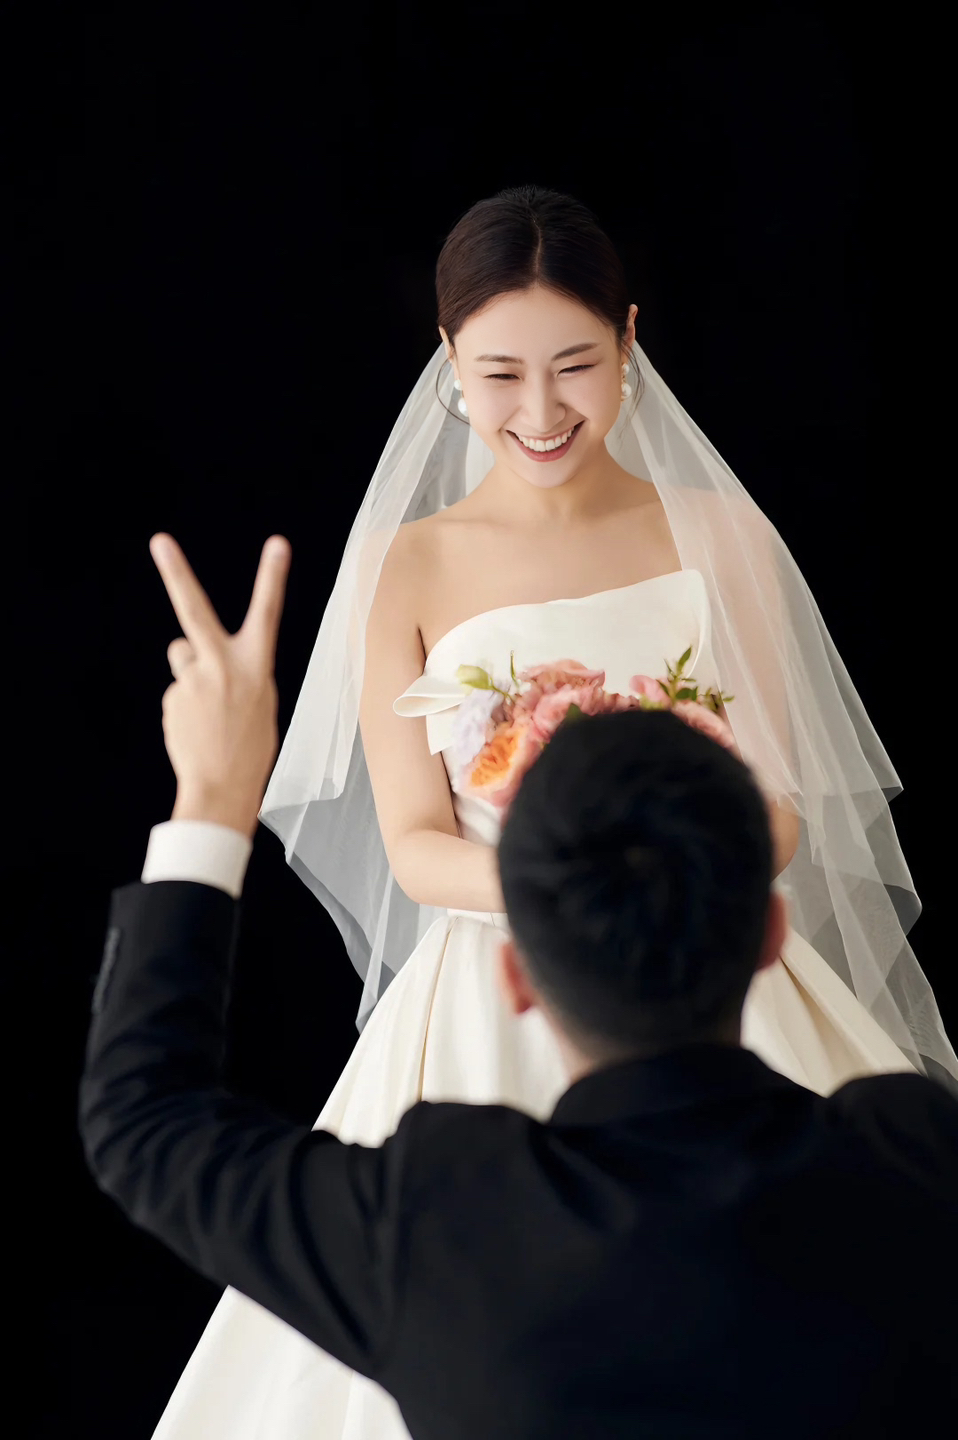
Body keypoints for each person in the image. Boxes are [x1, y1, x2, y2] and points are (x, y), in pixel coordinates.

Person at [148, 187, 958, 1438]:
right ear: (447, 363)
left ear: (629, 340)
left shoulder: (720, 534)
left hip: (709, 965)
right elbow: (417, 843)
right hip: (496, 971)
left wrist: (674, 874)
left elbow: (782, 809)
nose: (540, 412)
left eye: (575, 364)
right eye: (499, 374)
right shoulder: (409, 562)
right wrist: (567, 886)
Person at [80, 532, 958, 1440]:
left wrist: (212, 798)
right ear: (770, 932)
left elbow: (144, 1128)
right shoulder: (914, 1157)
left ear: (518, 973)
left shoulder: (433, 1222)